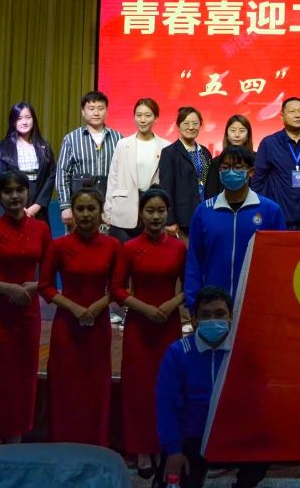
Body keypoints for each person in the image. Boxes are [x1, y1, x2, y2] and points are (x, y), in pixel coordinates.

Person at [0, 169, 52, 445]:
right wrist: (8, 289)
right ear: (0, 196)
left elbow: (50, 272)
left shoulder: (41, 229)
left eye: (20, 190)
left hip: (27, 314)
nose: (15, 196)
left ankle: (15, 443)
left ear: (28, 193)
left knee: (23, 379)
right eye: (8, 191)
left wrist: (32, 287)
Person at [157, 286, 268, 488]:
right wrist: (173, 450)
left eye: (219, 314)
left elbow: (259, 399)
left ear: (230, 316)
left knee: (261, 457)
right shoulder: (178, 353)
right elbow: (166, 406)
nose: (213, 320)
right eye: (206, 315)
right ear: (194, 319)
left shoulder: (244, 352)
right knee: (177, 479)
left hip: (233, 433)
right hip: (193, 436)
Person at [113, 189, 187, 477]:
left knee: (168, 387)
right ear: (140, 213)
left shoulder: (179, 248)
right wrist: (144, 308)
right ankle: (142, 450)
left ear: (167, 213)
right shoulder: (129, 248)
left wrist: (169, 305)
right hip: (139, 327)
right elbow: (117, 289)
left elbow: (190, 286)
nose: (155, 217)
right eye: (150, 211)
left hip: (168, 325)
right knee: (139, 389)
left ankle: (165, 446)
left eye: (160, 211)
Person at [39, 187, 117, 445]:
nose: (85, 214)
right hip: (66, 326)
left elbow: (119, 289)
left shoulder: (112, 246)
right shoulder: (59, 246)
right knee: (65, 387)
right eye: (80, 209)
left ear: (101, 211)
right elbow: (45, 287)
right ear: (72, 212)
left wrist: (96, 307)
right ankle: (62, 445)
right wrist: (74, 308)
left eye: (91, 208)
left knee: (95, 388)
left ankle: (95, 445)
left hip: (98, 325)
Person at [185, 145, 286, 307]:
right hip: (212, 306)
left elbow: (280, 262)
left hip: (256, 304)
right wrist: (193, 304)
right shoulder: (204, 211)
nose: (231, 172)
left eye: (238, 167)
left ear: (251, 172)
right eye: (225, 167)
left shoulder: (270, 210)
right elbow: (194, 261)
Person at [252, 97, 300, 230]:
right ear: (282, 116)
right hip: (278, 217)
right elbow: (258, 181)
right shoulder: (269, 143)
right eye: (292, 111)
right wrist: (261, 212)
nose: (297, 115)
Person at [105, 98, 171, 242]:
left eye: (148, 115)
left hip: (152, 206)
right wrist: (108, 210)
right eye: (139, 115)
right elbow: (113, 178)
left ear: (156, 118)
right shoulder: (123, 144)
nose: (142, 120)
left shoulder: (166, 146)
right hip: (124, 208)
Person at [56, 91, 124, 230]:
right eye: (91, 109)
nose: (96, 113)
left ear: (107, 111)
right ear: (83, 111)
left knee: (106, 242)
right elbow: (62, 174)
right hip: (79, 208)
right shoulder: (71, 139)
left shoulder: (119, 139)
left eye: (100, 108)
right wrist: (65, 206)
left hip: (109, 209)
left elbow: (124, 175)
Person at [0, 101, 55, 221]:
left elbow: (51, 176)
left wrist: (37, 205)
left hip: (36, 204)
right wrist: (17, 205)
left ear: (33, 120)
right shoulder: (3, 146)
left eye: (28, 117)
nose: (24, 122)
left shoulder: (44, 146)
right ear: (13, 122)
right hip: (9, 204)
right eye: (19, 118)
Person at [158, 106, 212, 241]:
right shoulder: (169, 153)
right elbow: (166, 188)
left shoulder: (205, 152)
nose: (191, 127)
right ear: (178, 126)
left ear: (200, 125)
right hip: (182, 219)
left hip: (206, 214)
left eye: (195, 123)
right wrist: (170, 220)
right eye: (186, 123)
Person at [205, 115, 254, 200]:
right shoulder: (217, 162)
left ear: (248, 135)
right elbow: (211, 193)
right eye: (233, 130)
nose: (237, 135)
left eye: (242, 131)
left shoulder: (257, 160)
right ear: (227, 134)